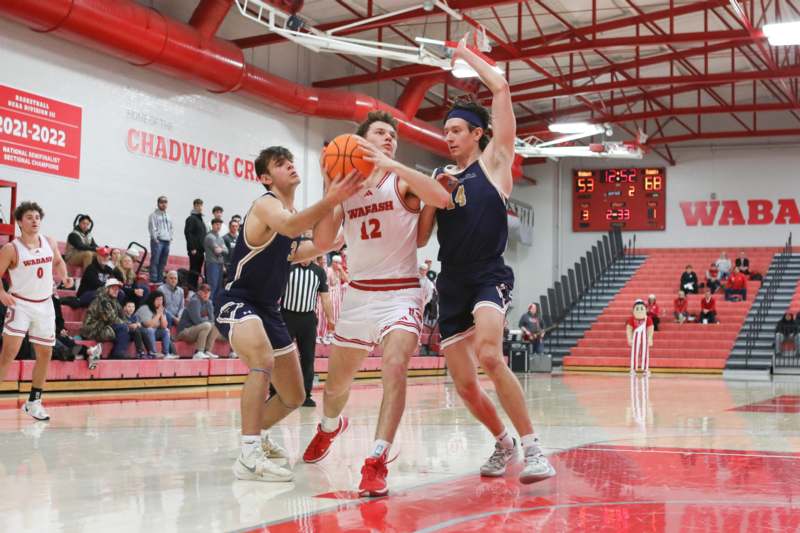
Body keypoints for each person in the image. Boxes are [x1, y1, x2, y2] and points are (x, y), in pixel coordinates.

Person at [417, 35, 555, 485]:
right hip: (451, 280)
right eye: (446, 132)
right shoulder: (442, 178)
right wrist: (431, 196)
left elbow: (500, 89)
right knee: (464, 383)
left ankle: (534, 449)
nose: (449, 138)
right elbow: (421, 238)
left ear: (477, 134)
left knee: (491, 355)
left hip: (488, 275)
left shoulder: (495, 164)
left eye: (456, 131)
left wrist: (462, 53)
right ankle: (503, 442)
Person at [303, 110, 450, 496]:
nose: (389, 138)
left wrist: (393, 162)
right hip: (358, 295)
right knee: (335, 389)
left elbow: (442, 197)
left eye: (393, 136)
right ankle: (330, 427)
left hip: (400, 292)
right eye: (381, 133)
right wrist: (328, 190)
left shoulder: (400, 179)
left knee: (395, 366)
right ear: (360, 142)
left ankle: (376, 459)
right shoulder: (346, 189)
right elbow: (321, 243)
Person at [215, 145, 360, 482]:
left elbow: (314, 246)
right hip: (238, 300)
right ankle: (248, 456)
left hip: (269, 310)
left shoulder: (289, 215)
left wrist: (338, 214)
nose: (291, 167)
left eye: (291, 162)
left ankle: (258, 434)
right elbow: (293, 225)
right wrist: (328, 198)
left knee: (295, 394)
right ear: (266, 177)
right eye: (281, 164)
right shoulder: (267, 205)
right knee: (261, 359)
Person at [0, 202, 73, 421]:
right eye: (29, 217)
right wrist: (2, 293)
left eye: (37, 217)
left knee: (45, 354)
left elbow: (59, 262)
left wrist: (65, 276)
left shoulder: (49, 241)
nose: (34, 221)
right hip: (20, 304)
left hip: (45, 305)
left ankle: (34, 402)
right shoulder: (11, 249)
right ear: (20, 222)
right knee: (8, 354)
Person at [281, 251, 334, 407]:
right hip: (287, 316)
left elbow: (325, 297)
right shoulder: (289, 268)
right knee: (281, 356)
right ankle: (275, 392)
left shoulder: (318, 272)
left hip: (308, 319)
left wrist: (330, 318)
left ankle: (306, 395)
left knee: (308, 358)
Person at [80, 279, 131, 359]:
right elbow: (111, 319)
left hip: (104, 326)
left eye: (117, 289)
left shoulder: (115, 301)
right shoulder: (102, 300)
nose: (116, 291)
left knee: (133, 330)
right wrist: (126, 325)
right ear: (107, 289)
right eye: (113, 289)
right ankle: (118, 353)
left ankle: (119, 352)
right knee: (122, 328)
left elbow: (122, 316)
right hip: (93, 329)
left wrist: (129, 324)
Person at [178, 283, 221, 359]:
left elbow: (212, 319)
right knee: (207, 325)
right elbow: (197, 321)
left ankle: (207, 351)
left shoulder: (208, 302)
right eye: (204, 292)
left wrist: (209, 305)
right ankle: (199, 351)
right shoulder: (195, 301)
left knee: (216, 325)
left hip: (196, 330)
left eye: (208, 292)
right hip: (185, 331)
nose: (206, 294)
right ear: (199, 292)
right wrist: (207, 319)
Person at [135, 291, 175, 359]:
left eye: (161, 299)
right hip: (142, 333)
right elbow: (148, 325)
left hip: (154, 332)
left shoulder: (161, 309)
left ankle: (166, 353)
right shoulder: (145, 308)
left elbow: (164, 326)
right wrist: (158, 314)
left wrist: (162, 314)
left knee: (166, 331)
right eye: (157, 299)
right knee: (150, 330)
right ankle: (153, 352)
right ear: (152, 300)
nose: (159, 302)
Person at [148, 195, 173, 283]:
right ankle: (153, 279)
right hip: (158, 241)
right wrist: (155, 239)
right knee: (155, 260)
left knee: (163, 261)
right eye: (161, 202)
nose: (164, 204)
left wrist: (170, 238)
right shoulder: (153, 215)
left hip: (167, 241)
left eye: (165, 202)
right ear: (158, 203)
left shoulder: (169, 216)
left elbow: (171, 228)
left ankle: (159, 279)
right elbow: (152, 228)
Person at [204, 218, 227, 300]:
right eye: (217, 224)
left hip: (220, 264)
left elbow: (226, 251)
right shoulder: (210, 237)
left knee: (218, 286)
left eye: (220, 224)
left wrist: (221, 249)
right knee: (212, 286)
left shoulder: (220, 238)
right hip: (212, 263)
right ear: (212, 225)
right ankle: (209, 305)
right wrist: (221, 249)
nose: (218, 226)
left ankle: (214, 307)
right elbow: (217, 251)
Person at [184, 198, 206, 275]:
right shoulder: (191, 219)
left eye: (201, 205)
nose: (200, 207)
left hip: (201, 250)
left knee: (198, 270)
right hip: (195, 250)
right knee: (194, 270)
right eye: (198, 205)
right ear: (194, 206)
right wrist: (192, 248)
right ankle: (191, 286)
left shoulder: (200, 220)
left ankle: (195, 286)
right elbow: (188, 233)